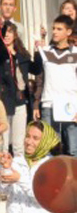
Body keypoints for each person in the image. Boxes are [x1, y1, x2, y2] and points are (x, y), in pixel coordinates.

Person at [30, 15, 77, 156]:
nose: (55, 32)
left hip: (71, 106)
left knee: (74, 147)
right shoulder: (46, 51)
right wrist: (36, 104)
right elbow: (39, 78)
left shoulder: (75, 52)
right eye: (53, 29)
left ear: (68, 32)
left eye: (59, 29)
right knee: (50, 147)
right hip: (49, 104)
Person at [0, 21, 31, 157]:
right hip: (4, 101)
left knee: (19, 144)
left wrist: (38, 50)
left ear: (15, 35)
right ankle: (4, 172)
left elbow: (35, 69)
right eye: (4, 33)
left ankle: (20, 172)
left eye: (10, 32)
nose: (7, 35)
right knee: (4, 143)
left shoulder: (22, 54)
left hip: (20, 100)